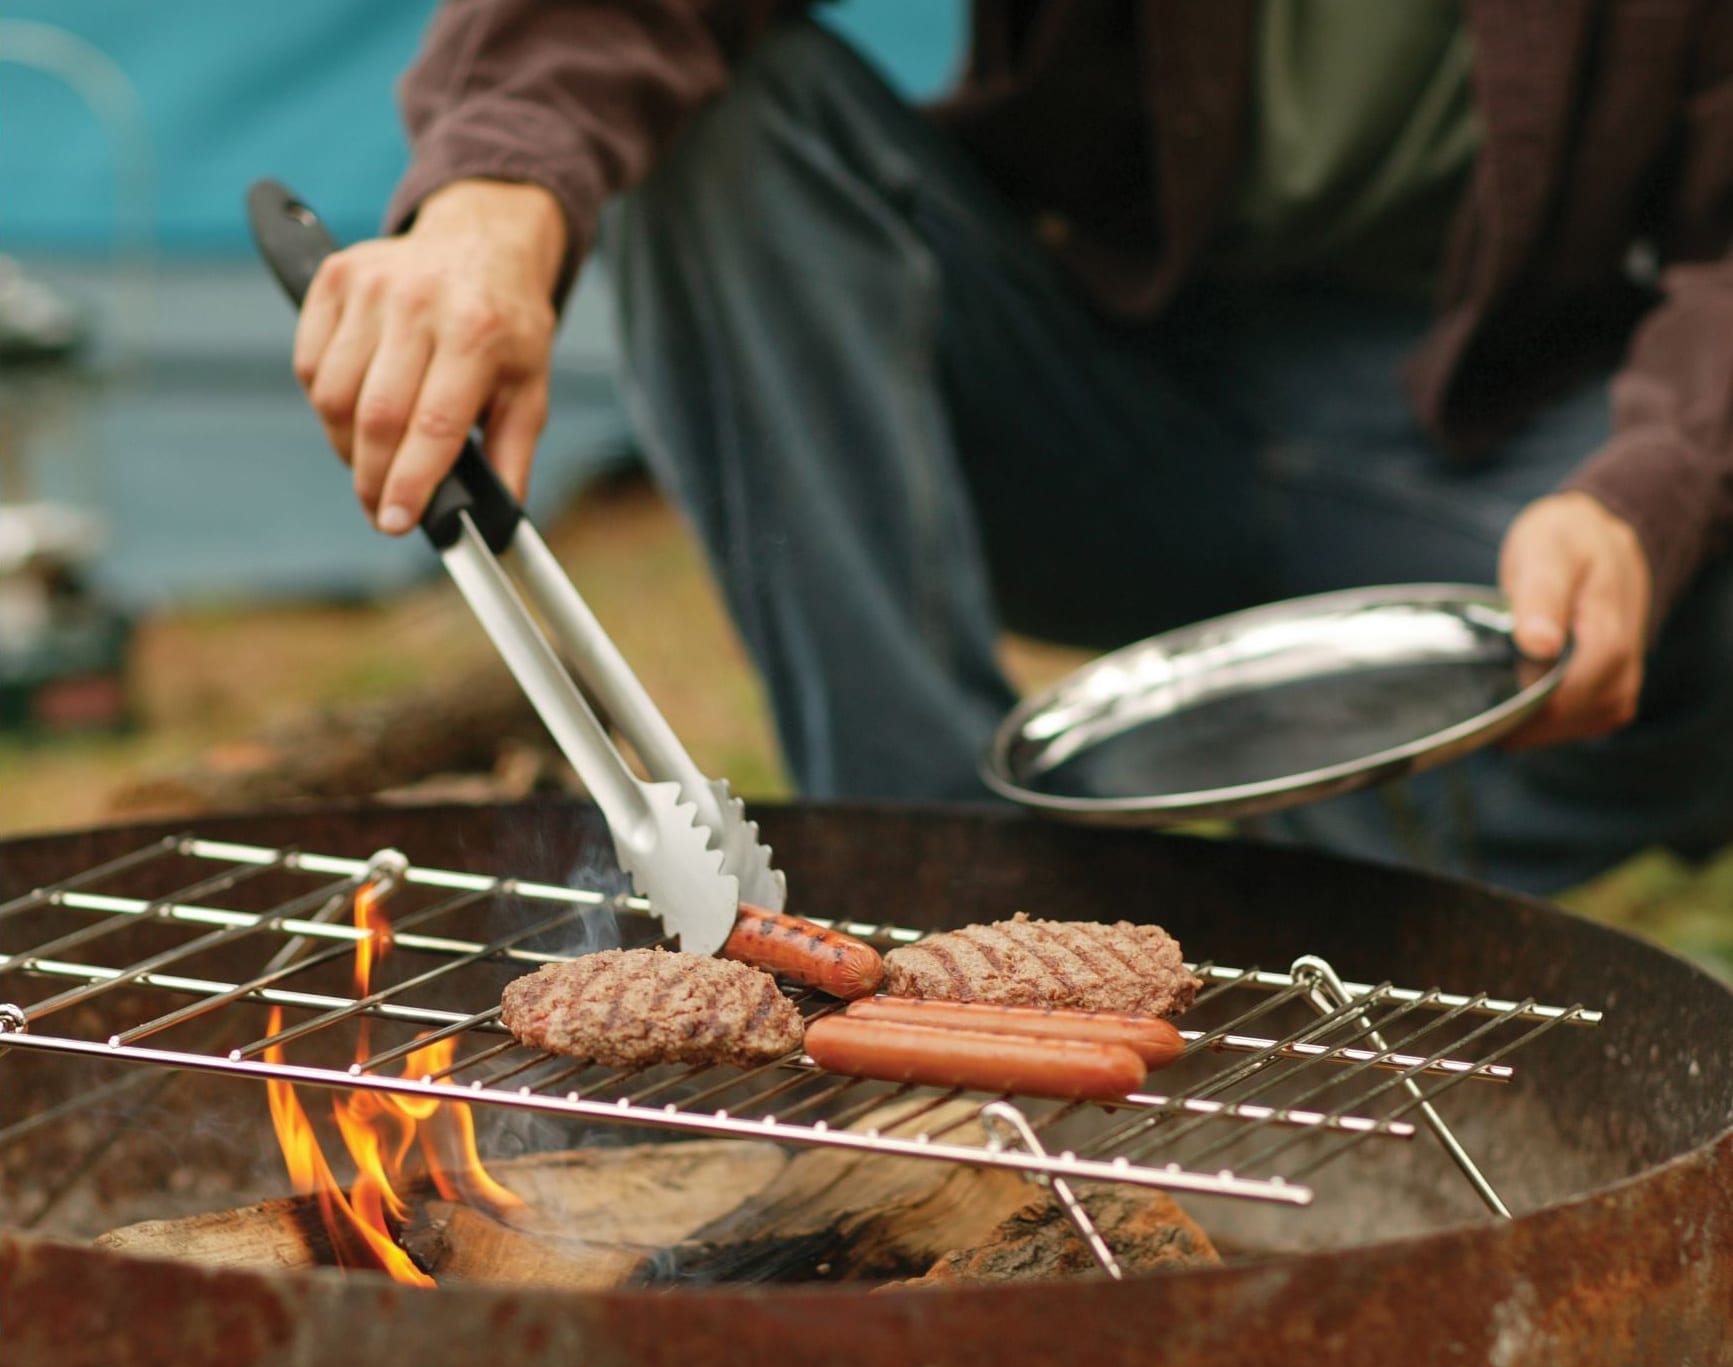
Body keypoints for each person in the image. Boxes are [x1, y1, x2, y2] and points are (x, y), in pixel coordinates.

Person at [291, 0, 1733, 895]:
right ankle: (943, 901)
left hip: (1483, 457)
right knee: (731, 142)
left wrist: (1645, 490)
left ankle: (1296, 895)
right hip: (1098, 388)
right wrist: (494, 195)